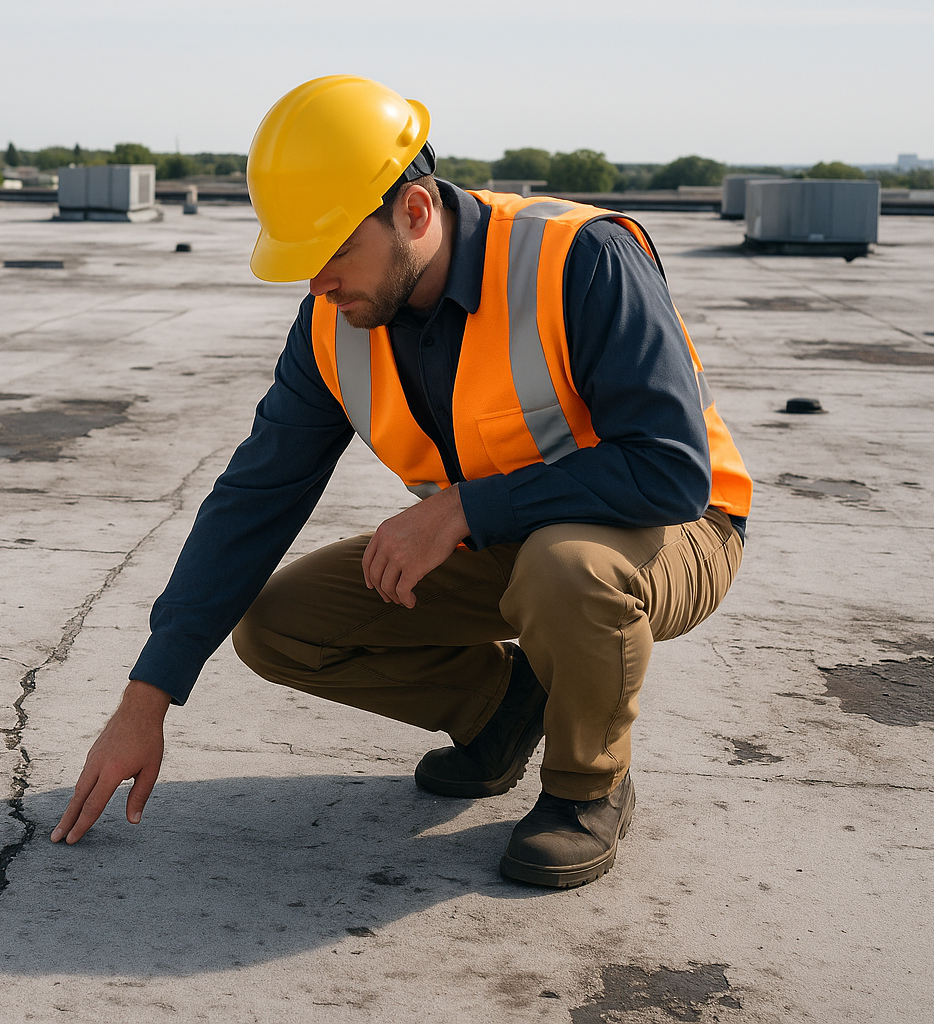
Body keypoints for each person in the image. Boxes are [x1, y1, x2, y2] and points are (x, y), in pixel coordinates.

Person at [51, 76, 751, 888]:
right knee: (277, 624)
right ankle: (500, 710)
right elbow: (255, 496)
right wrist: (148, 695)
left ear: (414, 212)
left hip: (675, 527)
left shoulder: (580, 258)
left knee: (569, 570)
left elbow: (669, 468)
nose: (316, 283)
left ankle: (587, 789)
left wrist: (464, 507)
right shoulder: (335, 321)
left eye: (333, 253)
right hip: (507, 538)